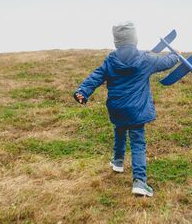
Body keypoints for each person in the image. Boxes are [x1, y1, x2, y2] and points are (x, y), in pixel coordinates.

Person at [73, 21, 179, 197]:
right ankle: (139, 182)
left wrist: (82, 92)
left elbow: (96, 76)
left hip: (117, 108)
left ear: (116, 42)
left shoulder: (110, 61)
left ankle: (118, 162)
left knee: (120, 131)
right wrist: (176, 56)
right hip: (137, 110)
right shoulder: (145, 59)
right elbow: (164, 62)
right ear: (134, 39)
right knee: (137, 143)